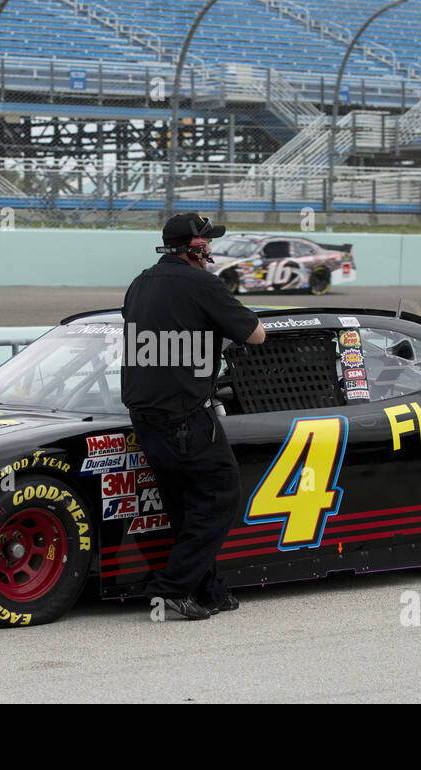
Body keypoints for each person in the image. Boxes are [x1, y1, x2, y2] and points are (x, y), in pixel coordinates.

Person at [122, 213, 265, 620]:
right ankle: (172, 588)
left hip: (144, 416)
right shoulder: (203, 283)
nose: (211, 250)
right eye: (207, 244)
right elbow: (255, 334)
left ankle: (210, 592)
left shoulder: (140, 283)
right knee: (221, 497)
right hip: (185, 414)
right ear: (196, 249)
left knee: (187, 506)